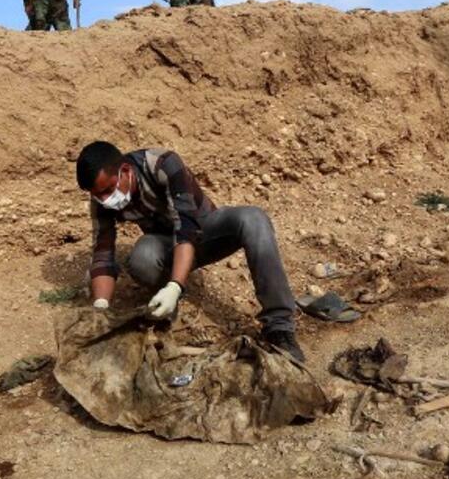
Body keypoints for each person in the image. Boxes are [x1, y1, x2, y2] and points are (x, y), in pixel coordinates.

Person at [75, 141, 306, 362]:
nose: (105, 199)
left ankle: (279, 327)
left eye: (107, 190)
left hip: (206, 232)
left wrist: (175, 285)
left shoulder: (162, 164)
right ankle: (165, 304)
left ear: (125, 171)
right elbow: (103, 253)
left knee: (253, 219)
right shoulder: (102, 201)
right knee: (142, 257)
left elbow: (185, 227)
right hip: (166, 245)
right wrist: (101, 308)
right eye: (98, 195)